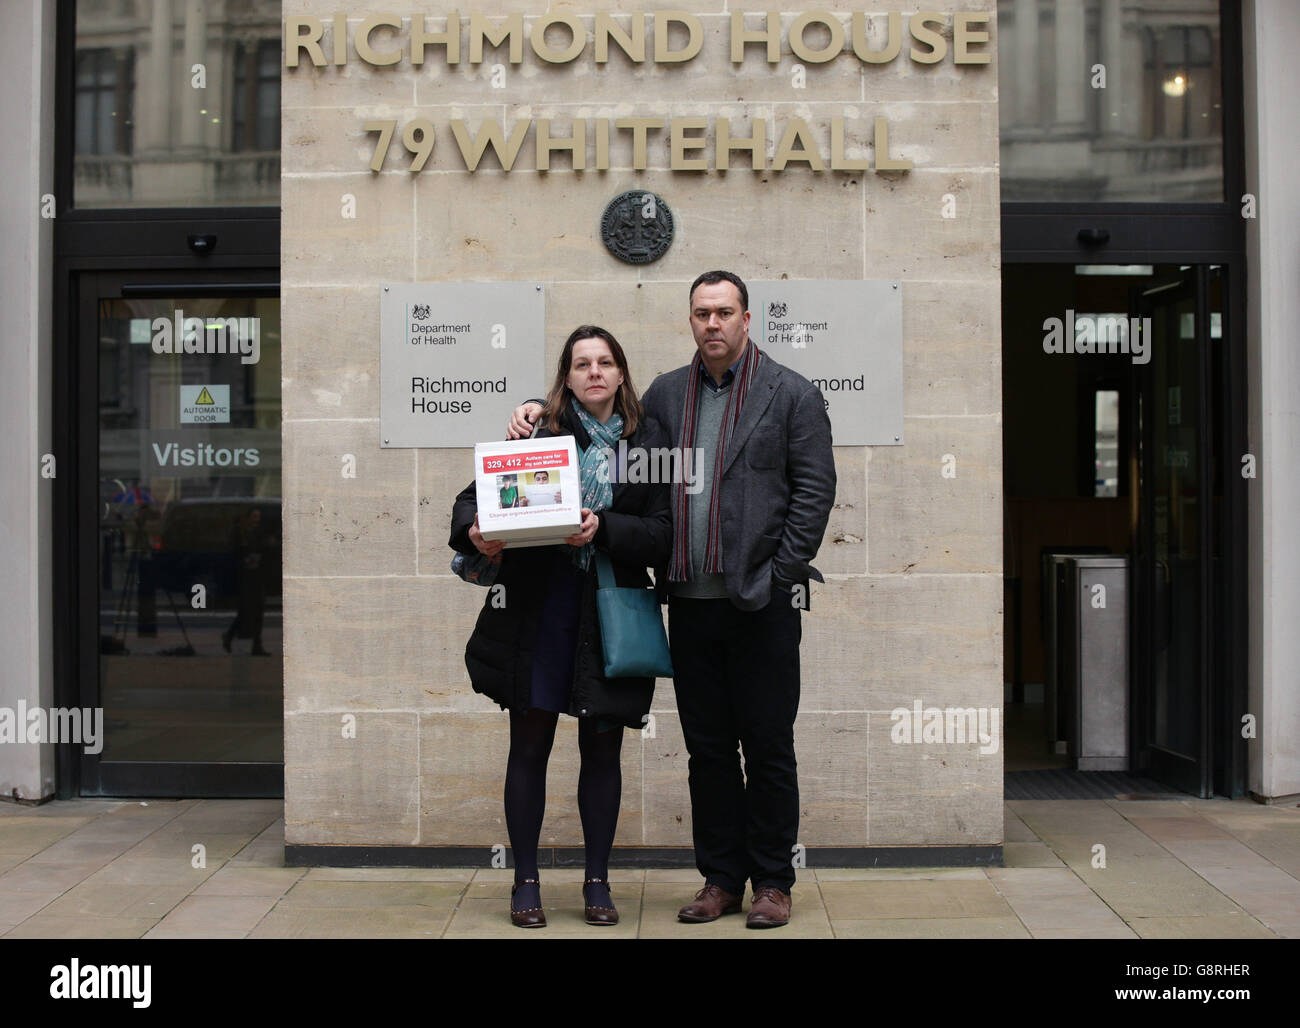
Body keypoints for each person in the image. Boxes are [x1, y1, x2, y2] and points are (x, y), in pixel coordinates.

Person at [508, 271, 836, 929]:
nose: (712, 324)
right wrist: (532, 413)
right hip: (687, 601)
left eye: (724, 312)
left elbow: (813, 493)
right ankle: (720, 879)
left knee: (768, 745)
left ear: (748, 318)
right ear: (690, 321)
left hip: (759, 602)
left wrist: (778, 573)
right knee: (707, 749)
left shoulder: (792, 394)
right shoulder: (665, 395)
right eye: (701, 313)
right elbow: (604, 432)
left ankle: (772, 881)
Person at [450, 325, 672, 929]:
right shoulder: (539, 431)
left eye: (605, 362)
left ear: (622, 373)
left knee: (603, 749)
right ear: (566, 377)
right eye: (582, 364)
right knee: (530, 746)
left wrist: (605, 529)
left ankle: (597, 883)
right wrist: (475, 532)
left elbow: (663, 533)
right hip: (539, 609)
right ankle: (525, 882)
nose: (594, 372)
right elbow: (472, 502)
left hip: (609, 610)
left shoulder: (649, 443)